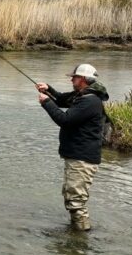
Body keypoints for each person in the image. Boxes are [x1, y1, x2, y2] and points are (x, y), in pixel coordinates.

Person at [36, 64, 109, 231]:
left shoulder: (90, 101)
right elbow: (62, 99)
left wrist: (46, 102)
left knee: (76, 202)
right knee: (72, 198)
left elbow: (65, 120)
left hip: (82, 159)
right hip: (79, 157)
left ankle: (81, 240)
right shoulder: (84, 95)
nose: (71, 79)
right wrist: (49, 90)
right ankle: (76, 232)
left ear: (82, 80)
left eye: (74, 77)